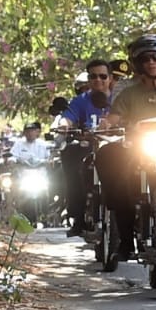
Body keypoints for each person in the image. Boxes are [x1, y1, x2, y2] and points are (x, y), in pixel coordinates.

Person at [94, 34, 156, 259]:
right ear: (138, 64)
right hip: (137, 150)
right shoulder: (127, 94)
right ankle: (125, 239)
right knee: (107, 156)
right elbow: (114, 118)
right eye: (145, 59)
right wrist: (106, 125)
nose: (151, 62)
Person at [54, 58, 115, 236]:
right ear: (89, 79)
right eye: (93, 76)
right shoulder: (80, 101)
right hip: (87, 145)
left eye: (103, 76)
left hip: (115, 147)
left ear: (110, 78)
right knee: (71, 157)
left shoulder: (119, 100)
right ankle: (78, 215)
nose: (98, 80)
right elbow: (67, 117)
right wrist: (65, 125)